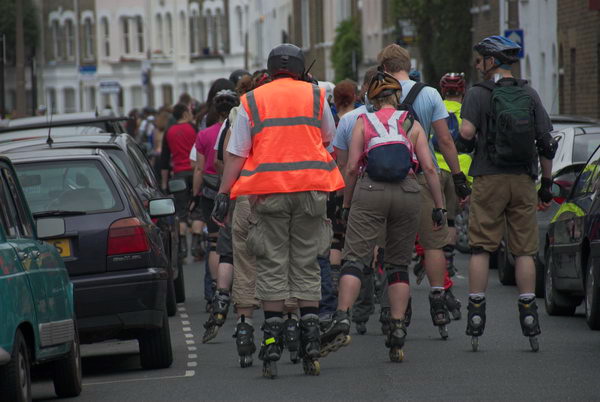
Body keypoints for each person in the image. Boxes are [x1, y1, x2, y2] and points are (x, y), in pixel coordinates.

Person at [213, 44, 344, 378]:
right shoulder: (315, 97)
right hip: (310, 190)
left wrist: (224, 193)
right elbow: (328, 140)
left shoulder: (251, 101)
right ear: (301, 69)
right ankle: (311, 339)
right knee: (306, 261)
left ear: (269, 70)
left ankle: (271, 341)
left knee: (271, 261)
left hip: (266, 193)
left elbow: (237, 153)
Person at [320, 70, 446, 361]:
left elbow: (351, 168)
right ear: (397, 97)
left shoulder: (363, 121)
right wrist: (439, 206)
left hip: (371, 191)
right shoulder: (411, 123)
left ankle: (342, 317)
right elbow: (429, 168)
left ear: (372, 98)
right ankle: (398, 328)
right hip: (408, 192)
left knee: (355, 258)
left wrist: (346, 204)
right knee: (398, 264)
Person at [457, 36, 556, 352]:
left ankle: (475, 314)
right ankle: (528, 315)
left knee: (481, 247)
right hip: (523, 180)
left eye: (480, 59)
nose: (477, 64)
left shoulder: (477, 94)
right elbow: (547, 143)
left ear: (491, 62)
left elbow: (467, 134)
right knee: (525, 250)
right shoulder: (529, 93)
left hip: (489, 177)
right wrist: (547, 184)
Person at [374, 44, 470, 339]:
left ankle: (393, 305)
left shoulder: (377, 93)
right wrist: (457, 176)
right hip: (423, 175)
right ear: (406, 64)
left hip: (387, 179)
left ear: (384, 67)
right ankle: (438, 300)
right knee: (433, 243)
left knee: (392, 245)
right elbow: (445, 140)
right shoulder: (429, 94)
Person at [195, 87, 240, 343]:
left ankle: (220, 294)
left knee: (223, 247)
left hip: (224, 191)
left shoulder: (212, 132)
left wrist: (198, 194)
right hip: (259, 192)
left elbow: (205, 166)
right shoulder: (250, 121)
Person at [160, 103, 197, 260]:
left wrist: (164, 183)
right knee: (197, 210)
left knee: (180, 212)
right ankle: (197, 244)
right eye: (189, 111)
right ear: (184, 113)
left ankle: (182, 248)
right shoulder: (193, 129)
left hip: (178, 175)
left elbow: (164, 160)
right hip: (195, 173)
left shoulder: (169, 132)